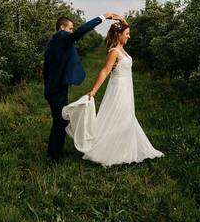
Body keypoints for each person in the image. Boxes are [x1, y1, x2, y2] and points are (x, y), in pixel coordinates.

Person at [69, 20, 163, 166]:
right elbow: (105, 71)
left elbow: (124, 26)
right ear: (118, 35)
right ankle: (111, 150)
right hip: (118, 88)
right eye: (127, 34)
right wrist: (93, 90)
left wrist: (120, 20)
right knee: (118, 115)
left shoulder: (122, 49)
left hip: (127, 87)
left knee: (126, 116)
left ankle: (124, 147)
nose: (129, 36)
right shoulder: (114, 51)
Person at [43, 12, 123, 161]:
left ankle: (55, 152)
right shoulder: (61, 37)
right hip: (56, 90)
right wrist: (103, 17)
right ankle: (54, 156)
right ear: (62, 28)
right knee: (60, 121)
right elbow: (81, 31)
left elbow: (47, 69)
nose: (72, 31)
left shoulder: (54, 42)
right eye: (71, 28)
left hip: (55, 87)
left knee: (60, 120)